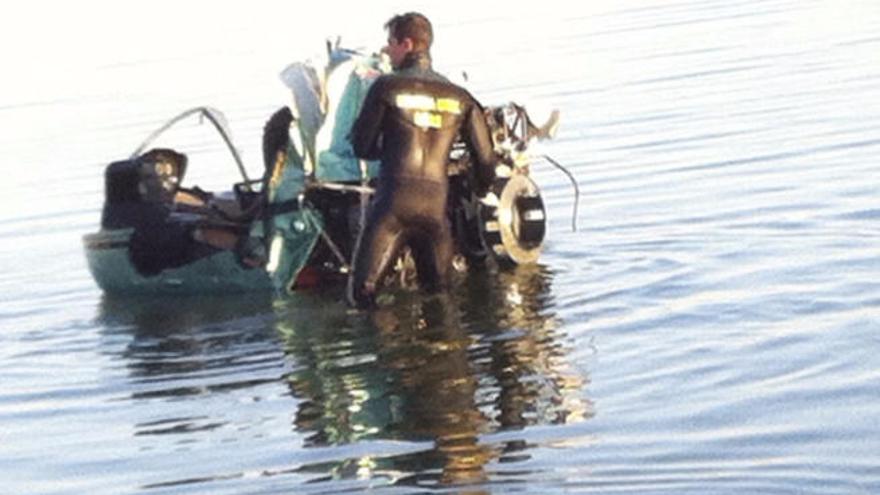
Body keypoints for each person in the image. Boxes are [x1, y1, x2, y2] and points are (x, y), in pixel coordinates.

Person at [348, 12, 498, 308]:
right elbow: (486, 160)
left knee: (362, 299)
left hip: (392, 210)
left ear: (406, 44)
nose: (386, 51)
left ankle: (382, 348)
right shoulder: (461, 98)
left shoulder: (386, 87)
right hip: (434, 213)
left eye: (390, 43)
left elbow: (361, 146)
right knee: (439, 299)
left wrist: (389, 148)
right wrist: (478, 190)